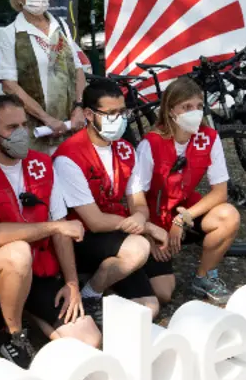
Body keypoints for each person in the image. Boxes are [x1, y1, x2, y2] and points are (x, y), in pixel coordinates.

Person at [0, 94, 101, 367]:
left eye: (24, 125)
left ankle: (17, 309)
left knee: (89, 340)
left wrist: (72, 283)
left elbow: (61, 229)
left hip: (40, 268)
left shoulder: (42, 164)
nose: (22, 134)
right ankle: (13, 333)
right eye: (11, 128)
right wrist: (55, 226)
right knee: (18, 254)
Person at [54, 80, 165, 323]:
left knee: (150, 307)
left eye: (122, 111)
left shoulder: (125, 149)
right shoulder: (69, 156)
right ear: (88, 114)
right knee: (139, 248)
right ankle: (90, 294)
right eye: (111, 113)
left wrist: (139, 217)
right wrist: (145, 226)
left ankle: (105, 287)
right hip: (82, 239)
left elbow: (138, 202)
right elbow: (94, 222)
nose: (119, 118)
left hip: (116, 233)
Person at [136, 76, 242, 305]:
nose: (195, 112)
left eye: (198, 107)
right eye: (187, 107)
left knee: (229, 215)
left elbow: (220, 192)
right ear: (171, 110)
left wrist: (183, 219)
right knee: (163, 293)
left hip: (184, 211)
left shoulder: (209, 138)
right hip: (153, 219)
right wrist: (147, 236)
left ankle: (205, 276)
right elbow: (135, 199)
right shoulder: (150, 144)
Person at [0, 0, 93, 152]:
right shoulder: (11, 34)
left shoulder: (62, 26)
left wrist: (79, 106)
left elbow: (78, 70)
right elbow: (9, 85)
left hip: (70, 126)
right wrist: (46, 118)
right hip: (36, 130)